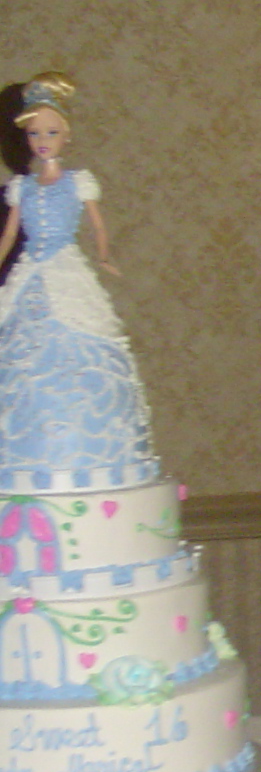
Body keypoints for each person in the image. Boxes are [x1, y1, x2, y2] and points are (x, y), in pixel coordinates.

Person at [0, 70, 154, 482]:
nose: (43, 140)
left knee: (84, 340)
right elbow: (10, 234)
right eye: (35, 133)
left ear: (66, 136)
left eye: (51, 131)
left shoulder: (78, 183)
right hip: (30, 269)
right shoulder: (21, 188)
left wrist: (103, 257)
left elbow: (98, 227)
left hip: (66, 266)